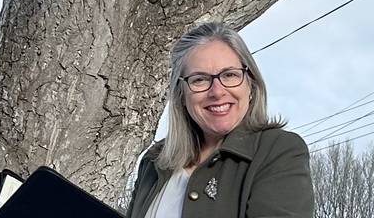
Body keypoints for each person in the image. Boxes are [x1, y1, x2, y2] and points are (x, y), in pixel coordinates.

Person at [125, 21, 314, 218]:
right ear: (181, 94)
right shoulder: (154, 161)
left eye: (230, 75)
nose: (217, 91)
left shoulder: (278, 150)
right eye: (199, 79)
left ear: (250, 84)